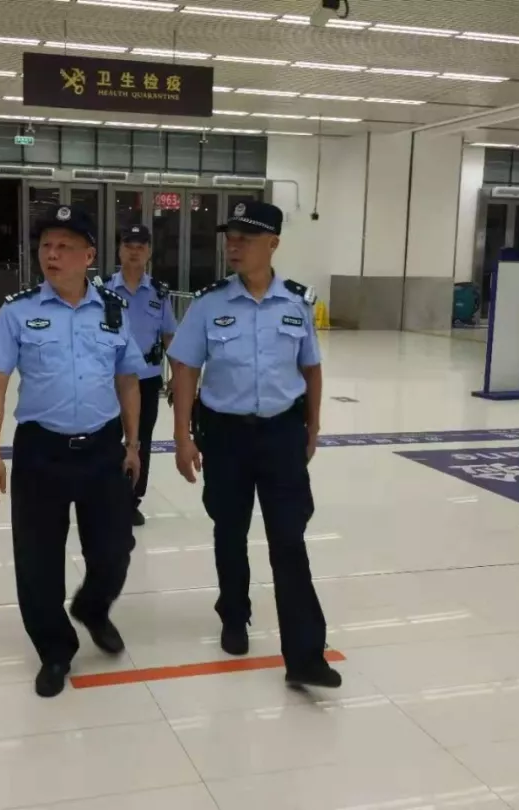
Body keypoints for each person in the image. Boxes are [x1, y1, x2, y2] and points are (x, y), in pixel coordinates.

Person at [167, 200, 341, 690]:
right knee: (230, 530)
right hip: (225, 435)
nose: (234, 245)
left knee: (289, 539)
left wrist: (312, 426)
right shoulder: (209, 303)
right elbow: (185, 369)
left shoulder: (297, 302)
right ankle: (233, 613)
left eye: (246, 237)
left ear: (273, 243)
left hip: (282, 434)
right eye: (231, 237)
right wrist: (182, 437)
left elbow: (311, 367)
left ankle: (305, 655)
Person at [0, 204, 145, 698]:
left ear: (88, 256)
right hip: (41, 451)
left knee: (115, 549)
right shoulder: (19, 311)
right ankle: (55, 650)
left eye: (64, 247)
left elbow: (128, 379)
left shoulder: (113, 309)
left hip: (102, 448)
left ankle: (93, 607)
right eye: (46, 246)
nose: (51, 254)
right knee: (38, 561)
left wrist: (133, 444)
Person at [105, 224, 177, 527]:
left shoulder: (159, 293)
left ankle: (132, 499)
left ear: (149, 252)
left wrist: (177, 375)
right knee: (107, 438)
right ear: (119, 250)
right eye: (128, 245)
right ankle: (106, 498)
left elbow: (169, 335)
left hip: (146, 379)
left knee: (141, 440)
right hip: (109, 379)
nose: (134, 252)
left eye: (140, 246)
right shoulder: (102, 289)